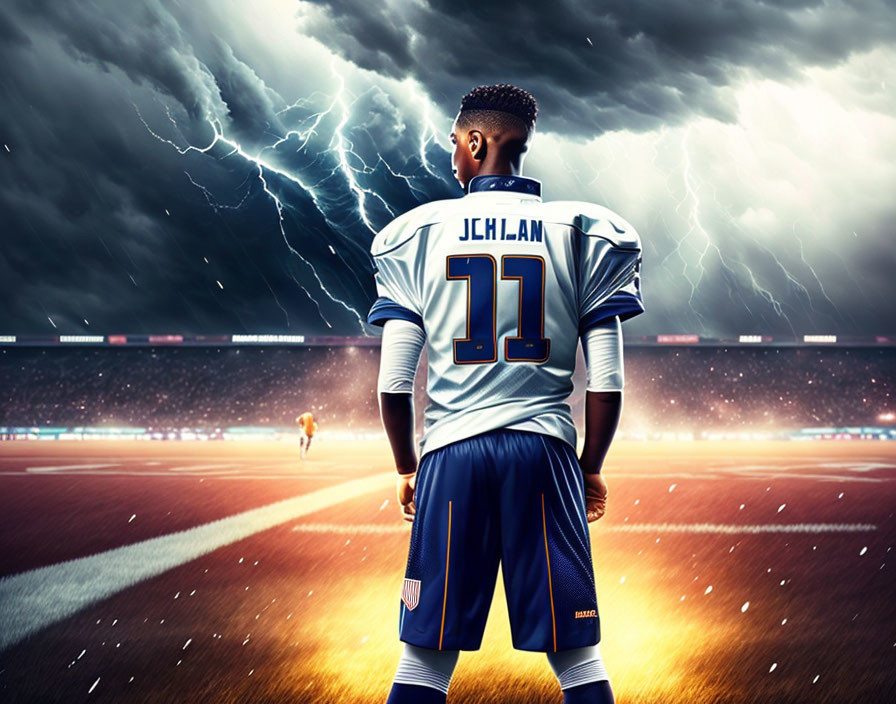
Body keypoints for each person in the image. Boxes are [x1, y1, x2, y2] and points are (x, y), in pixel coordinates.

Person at [367, 84, 644, 704]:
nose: (452, 161)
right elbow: (607, 377)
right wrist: (590, 468)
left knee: (424, 658)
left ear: (476, 141)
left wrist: (407, 466)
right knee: (577, 655)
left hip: (452, 453)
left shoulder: (417, 233)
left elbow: (393, 383)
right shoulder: (582, 230)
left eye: (454, 148)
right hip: (542, 454)